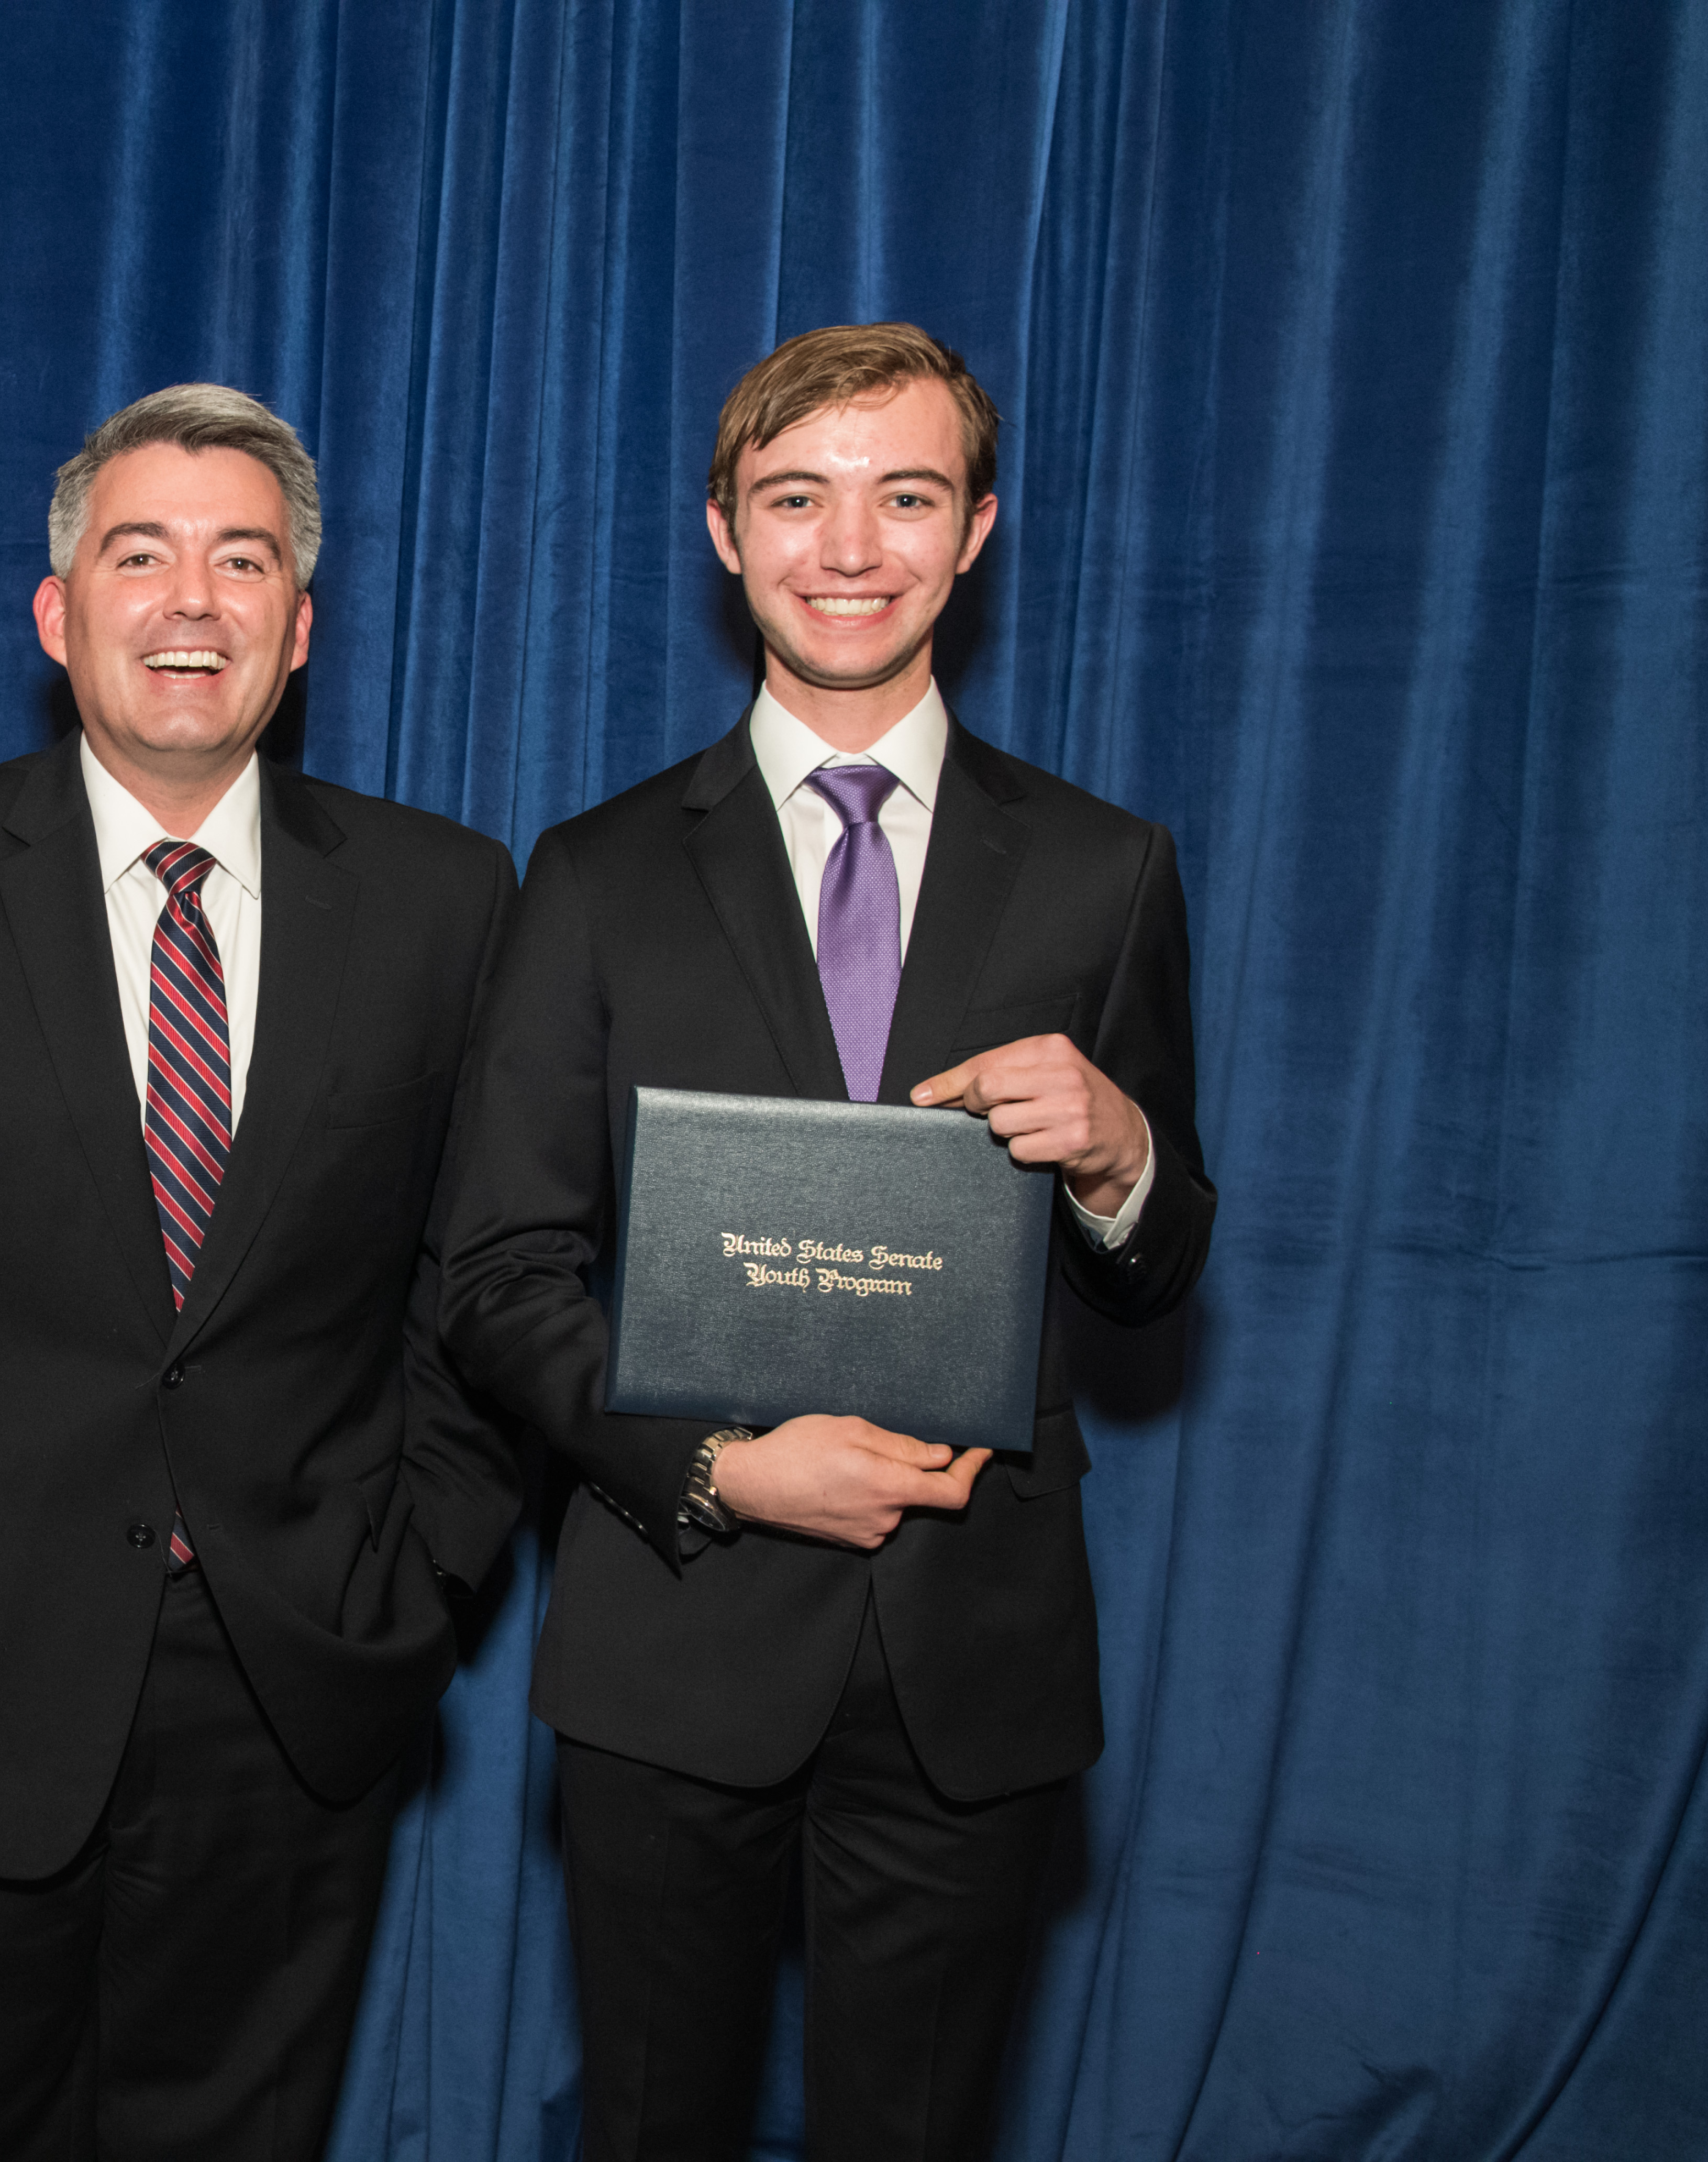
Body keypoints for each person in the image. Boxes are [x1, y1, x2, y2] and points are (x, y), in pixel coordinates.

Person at [0, 384, 519, 2159]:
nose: (191, 601)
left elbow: (483, 1281)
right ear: (57, 609)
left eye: (244, 563)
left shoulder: (447, 901)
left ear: (300, 633)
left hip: (297, 1673)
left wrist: (424, 1578)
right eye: (138, 554)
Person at [438, 324, 1214, 2161]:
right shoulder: (598, 873)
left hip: (976, 1657)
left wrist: (1122, 1157)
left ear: (978, 529)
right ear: (726, 530)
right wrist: (717, 1465)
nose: (849, 544)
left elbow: (1162, 1265)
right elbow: (495, 1278)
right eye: (798, 497)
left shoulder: (1109, 869)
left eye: (905, 495)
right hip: (676, 1632)